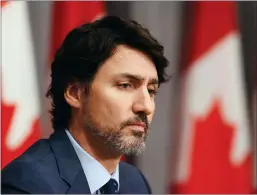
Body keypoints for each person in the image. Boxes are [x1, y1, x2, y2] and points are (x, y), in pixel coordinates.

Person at [1, 16, 169, 194]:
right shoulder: (26, 184)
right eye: (125, 85)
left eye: (151, 91)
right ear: (75, 94)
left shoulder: (135, 183)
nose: (146, 107)